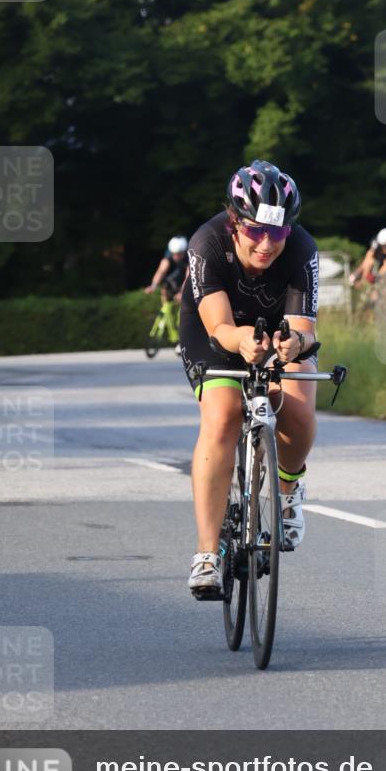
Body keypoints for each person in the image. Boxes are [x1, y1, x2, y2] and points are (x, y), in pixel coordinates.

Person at [179, 159, 320, 594]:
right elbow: (219, 327)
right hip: (216, 331)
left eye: (277, 233)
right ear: (234, 222)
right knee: (222, 416)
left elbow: (305, 330)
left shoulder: (300, 249)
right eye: (256, 230)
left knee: (296, 402)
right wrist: (241, 341)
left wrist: (293, 345)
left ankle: (288, 489)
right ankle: (207, 553)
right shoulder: (206, 244)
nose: (266, 244)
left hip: (277, 332)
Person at [145, 236, 189, 353]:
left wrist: (181, 293)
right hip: (169, 287)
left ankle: (181, 339)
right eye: (174, 253)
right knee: (166, 308)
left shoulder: (188, 259)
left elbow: (188, 278)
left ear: (183, 252)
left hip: (183, 287)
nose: (176, 256)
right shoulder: (167, 259)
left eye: (178, 254)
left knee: (182, 313)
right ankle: (173, 336)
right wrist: (153, 286)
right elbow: (160, 272)